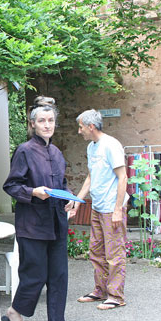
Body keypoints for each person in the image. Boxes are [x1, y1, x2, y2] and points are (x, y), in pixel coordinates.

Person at [1, 97, 75, 321]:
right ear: (32, 124)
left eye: (51, 120)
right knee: (35, 274)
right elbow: (11, 186)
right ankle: (15, 312)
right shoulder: (24, 151)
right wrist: (33, 192)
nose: (47, 125)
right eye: (42, 121)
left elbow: (61, 185)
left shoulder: (57, 153)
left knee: (59, 276)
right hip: (32, 224)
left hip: (57, 223)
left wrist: (70, 198)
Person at [68, 109, 128, 310]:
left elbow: (123, 177)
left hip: (111, 208)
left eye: (81, 127)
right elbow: (91, 176)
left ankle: (116, 296)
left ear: (91, 126)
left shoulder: (111, 145)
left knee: (114, 253)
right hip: (98, 207)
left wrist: (118, 209)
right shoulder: (91, 147)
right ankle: (100, 290)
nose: (79, 131)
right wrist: (77, 201)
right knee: (96, 251)